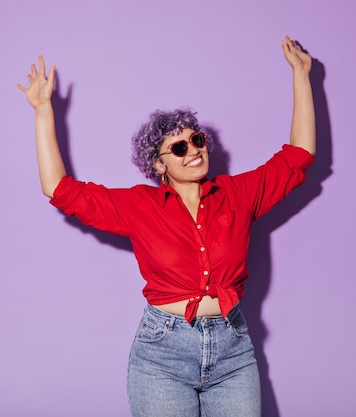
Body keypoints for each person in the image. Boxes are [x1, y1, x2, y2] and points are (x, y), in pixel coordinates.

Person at [18, 35, 316, 417]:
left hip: (233, 352)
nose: (193, 150)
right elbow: (59, 189)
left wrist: (301, 76)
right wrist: (43, 111)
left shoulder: (237, 194)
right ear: (159, 164)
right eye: (179, 148)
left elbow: (298, 156)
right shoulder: (141, 207)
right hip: (163, 355)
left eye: (196, 140)